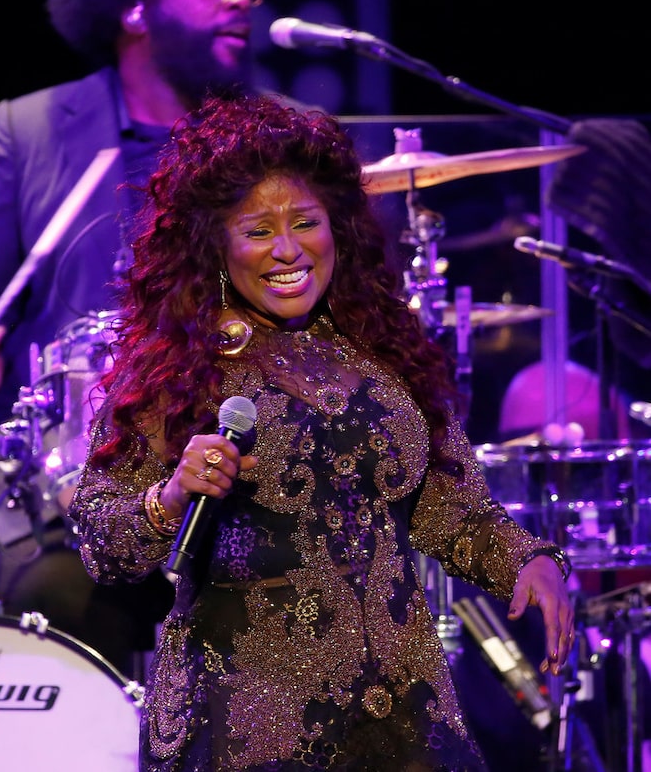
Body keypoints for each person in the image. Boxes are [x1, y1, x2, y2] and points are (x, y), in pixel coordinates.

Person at [68, 91, 575, 771]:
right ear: (215, 245)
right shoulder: (175, 365)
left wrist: (525, 558)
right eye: (257, 230)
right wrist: (171, 495)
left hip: (402, 713)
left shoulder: (388, 347)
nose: (287, 249)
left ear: (337, 225)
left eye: (304, 221)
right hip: (250, 724)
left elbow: (452, 512)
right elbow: (103, 538)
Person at [0, 0, 280, 676]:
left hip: (241, 493)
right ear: (136, 4)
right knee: (64, 601)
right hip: (65, 505)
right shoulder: (35, 130)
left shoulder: (277, 138)